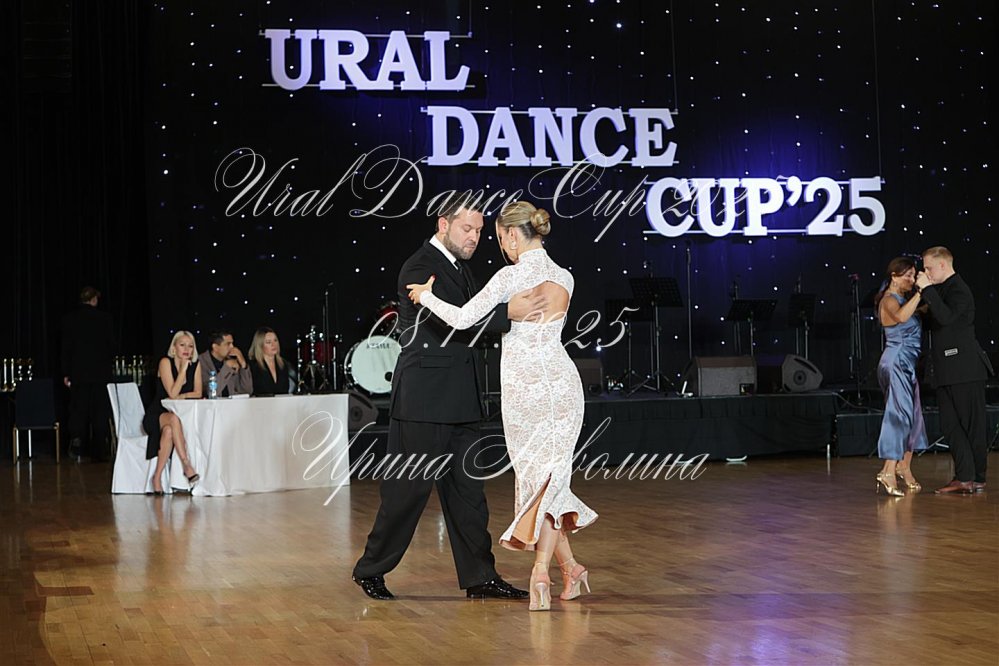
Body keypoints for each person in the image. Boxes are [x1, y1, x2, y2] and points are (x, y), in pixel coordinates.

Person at [351, 199, 546, 602]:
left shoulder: (460, 268)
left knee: (469, 497)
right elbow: (452, 321)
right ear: (444, 224)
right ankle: (370, 569)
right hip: (424, 401)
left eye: (479, 231)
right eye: (466, 229)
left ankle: (480, 576)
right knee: (406, 493)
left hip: (460, 399)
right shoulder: (419, 267)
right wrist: (508, 313)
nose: (474, 238)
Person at [407, 201, 597, 612]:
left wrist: (426, 297)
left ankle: (540, 572)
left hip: (526, 391)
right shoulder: (565, 276)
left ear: (512, 235)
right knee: (551, 482)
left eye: (496, 237)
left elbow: (462, 319)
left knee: (540, 483)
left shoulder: (509, 277)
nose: (497, 245)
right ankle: (572, 569)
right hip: (563, 386)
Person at [917, 247, 992, 494]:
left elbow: (946, 318)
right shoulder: (940, 290)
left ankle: (977, 476)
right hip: (945, 369)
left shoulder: (959, 289)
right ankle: (964, 476)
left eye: (928, 268)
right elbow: (933, 321)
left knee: (972, 425)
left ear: (942, 265)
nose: (926, 272)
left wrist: (927, 290)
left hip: (964, 369)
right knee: (950, 425)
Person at [873, 257, 928, 496]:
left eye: (914, 275)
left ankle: (903, 466)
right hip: (896, 363)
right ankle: (887, 470)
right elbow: (902, 318)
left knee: (913, 416)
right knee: (899, 415)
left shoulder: (904, 300)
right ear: (894, 276)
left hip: (907, 364)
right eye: (908, 276)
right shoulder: (889, 300)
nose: (912, 280)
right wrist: (921, 293)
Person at [143, 331, 202, 495]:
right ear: (174, 348)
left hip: (179, 417)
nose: (187, 349)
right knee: (173, 420)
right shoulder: (165, 362)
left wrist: (184, 395)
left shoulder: (195, 365)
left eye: (190, 346)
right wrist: (182, 371)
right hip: (157, 414)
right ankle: (186, 465)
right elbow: (172, 393)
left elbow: (198, 392)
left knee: (169, 431)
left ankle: (156, 477)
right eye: (182, 345)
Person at [61, 286, 115, 461]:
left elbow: (66, 348)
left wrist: (66, 372)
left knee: (78, 409)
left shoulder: (70, 319)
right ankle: (100, 449)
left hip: (78, 373)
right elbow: (111, 346)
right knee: (100, 411)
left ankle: (77, 444)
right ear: (93, 300)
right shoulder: (105, 319)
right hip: (101, 373)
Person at [197, 330, 253, 397]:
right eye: (228, 344)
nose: (232, 347)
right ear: (215, 347)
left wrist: (243, 365)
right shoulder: (201, 362)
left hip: (232, 403)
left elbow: (247, 391)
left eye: (232, 343)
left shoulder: (233, 361)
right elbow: (211, 392)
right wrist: (227, 367)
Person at [248, 327, 292, 395]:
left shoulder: (283, 364)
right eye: (268, 342)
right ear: (260, 345)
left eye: (275, 340)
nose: (273, 345)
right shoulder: (253, 366)